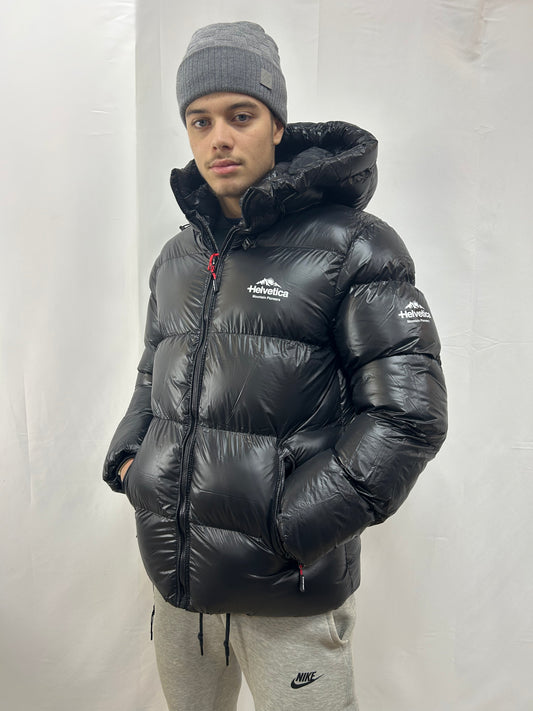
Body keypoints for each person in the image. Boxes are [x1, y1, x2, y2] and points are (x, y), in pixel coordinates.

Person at [103, 20, 447, 711]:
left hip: (289, 591)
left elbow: (407, 417)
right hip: (179, 582)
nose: (218, 139)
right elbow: (152, 372)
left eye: (241, 116)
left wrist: (292, 526)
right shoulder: (178, 256)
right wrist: (131, 462)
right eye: (200, 121)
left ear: (277, 125)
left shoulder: (355, 247)